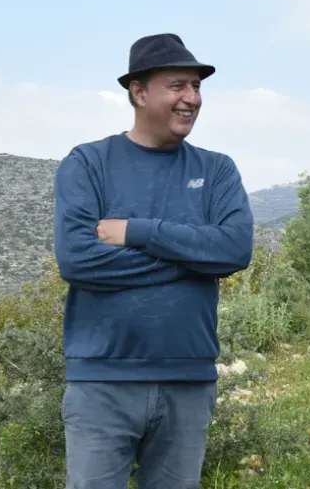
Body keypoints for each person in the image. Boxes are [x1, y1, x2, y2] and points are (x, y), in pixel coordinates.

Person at [51, 33, 254, 489]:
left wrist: (137, 232)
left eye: (197, 87)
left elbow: (235, 250)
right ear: (138, 92)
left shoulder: (217, 168)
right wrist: (195, 256)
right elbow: (78, 260)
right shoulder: (88, 163)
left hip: (188, 380)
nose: (192, 99)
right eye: (177, 86)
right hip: (101, 383)